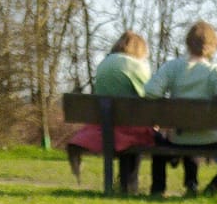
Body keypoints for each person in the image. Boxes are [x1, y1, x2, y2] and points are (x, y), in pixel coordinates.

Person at [145, 21, 217, 196]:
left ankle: (158, 189)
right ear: (212, 46)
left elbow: (150, 91)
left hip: (178, 138)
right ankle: (213, 188)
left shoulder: (172, 67)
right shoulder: (213, 71)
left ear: (188, 42)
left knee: (160, 143)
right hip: (210, 138)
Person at [66, 31, 156, 195]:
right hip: (128, 128)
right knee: (139, 134)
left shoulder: (104, 64)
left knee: (129, 132)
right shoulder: (138, 66)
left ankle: (124, 185)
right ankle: (128, 185)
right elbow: (149, 97)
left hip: (105, 127)